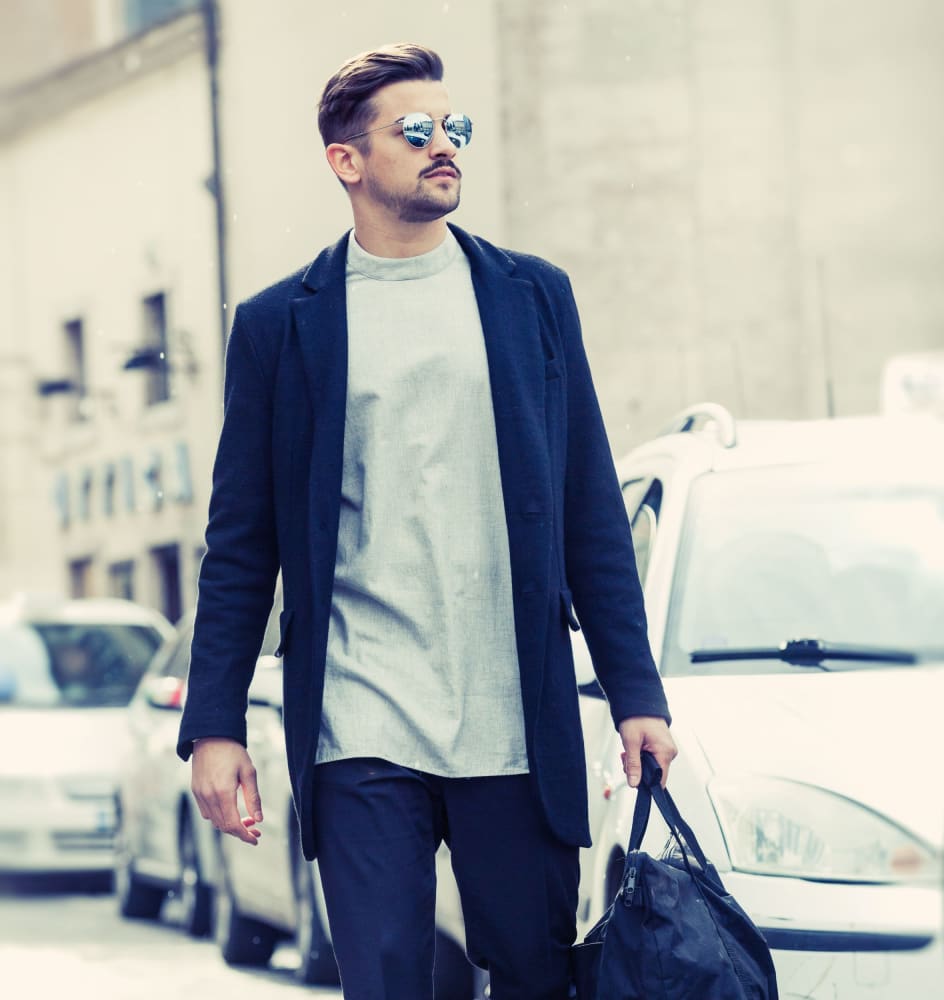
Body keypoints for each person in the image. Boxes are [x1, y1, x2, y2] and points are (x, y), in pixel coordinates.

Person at [177, 42, 676, 999]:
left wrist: (636, 693)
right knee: (390, 978)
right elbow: (241, 545)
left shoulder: (533, 298)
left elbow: (589, 514)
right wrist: (215, 724)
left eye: (456, 129)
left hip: (508, 715)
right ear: (347, 161)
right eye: (416, 131)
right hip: (359, 717)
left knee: (534, 973)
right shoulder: (282, 323)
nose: (444, 146)